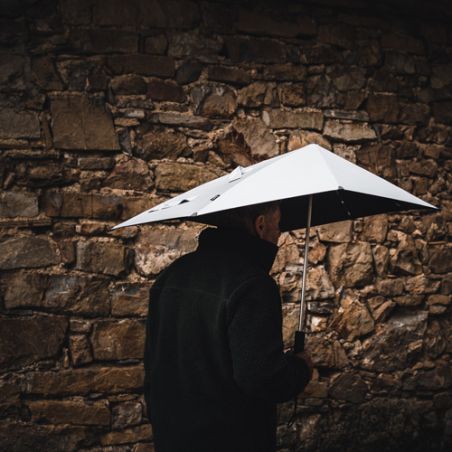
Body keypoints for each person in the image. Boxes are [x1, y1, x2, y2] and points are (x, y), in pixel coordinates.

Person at [144, 201, 313, 452]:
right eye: (278, 226)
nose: (279, 235)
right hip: (229, 438)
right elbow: (262, 379)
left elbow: (156, 360)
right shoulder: (253, 285)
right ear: (260, 225)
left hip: (172, 435)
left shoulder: (172, 275)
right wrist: (300, 367)